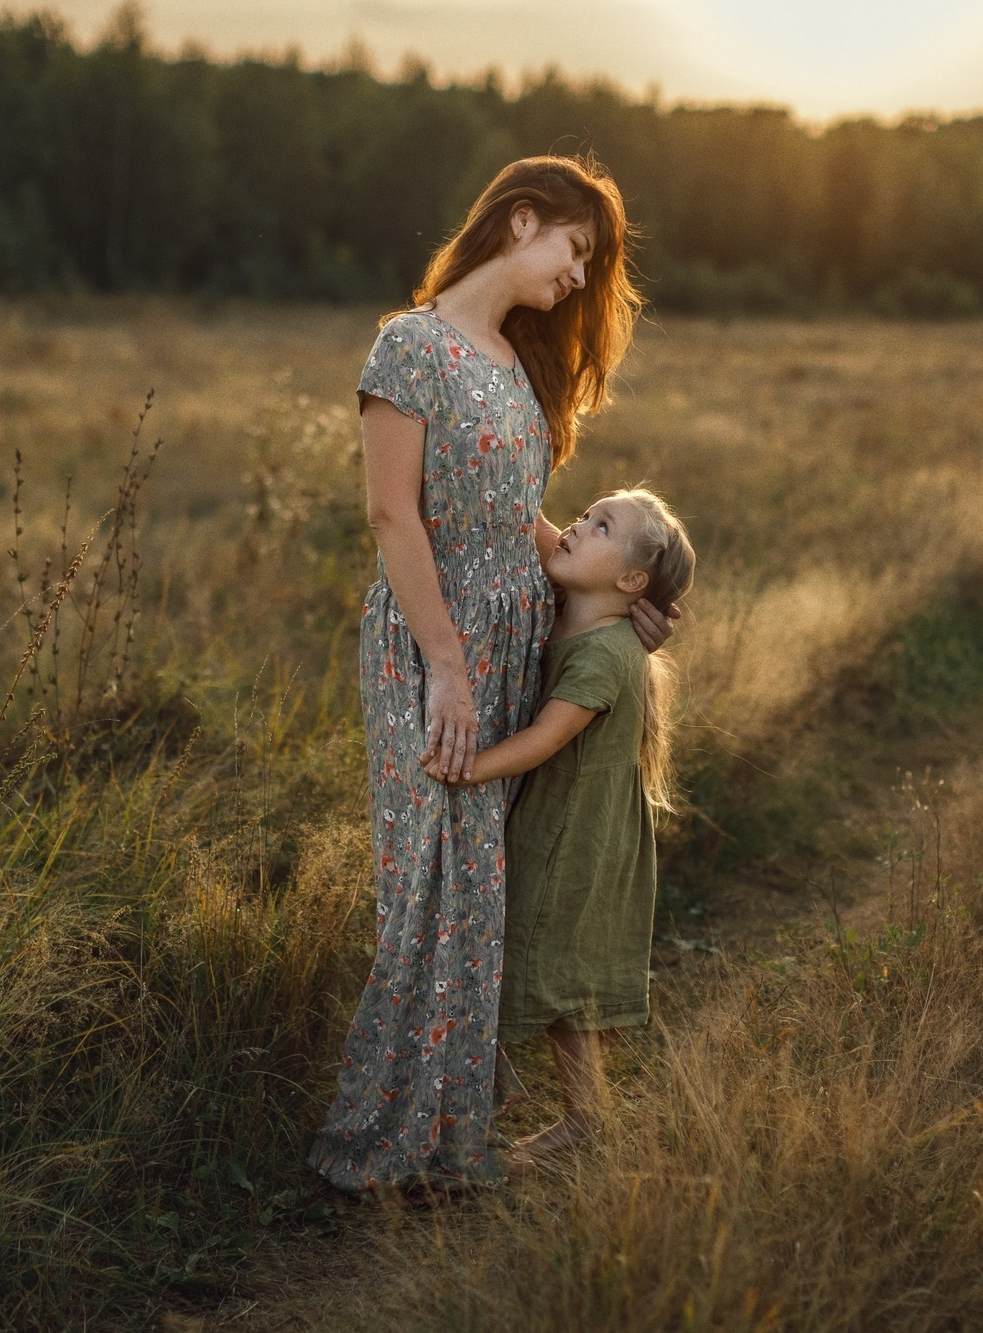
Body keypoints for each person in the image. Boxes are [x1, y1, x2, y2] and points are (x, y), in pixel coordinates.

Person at [308, 156, 670, 1196]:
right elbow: (393, 516)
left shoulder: (512, 360)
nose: (577, 277)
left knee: (485, 889)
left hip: (516, 639)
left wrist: (616, 601)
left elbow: (519, 517)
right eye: (575, 249)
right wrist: (447, 668)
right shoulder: (410, 345)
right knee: (431, 881)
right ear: (520, 221)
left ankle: (455, 1134)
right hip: (438, 643)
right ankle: (397, 1147)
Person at [428, 488, 695, 1161]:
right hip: (567, 820)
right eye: (585, 515)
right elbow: (536, 521)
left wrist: (467, 767)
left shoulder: (603, 651)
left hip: (575, 833)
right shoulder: (582, 618)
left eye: (601, 526)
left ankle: (575, 1116)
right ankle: (550, 1104)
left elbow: (546, 738)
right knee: (550, 960)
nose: (577, 526)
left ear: (630, 582)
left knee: (553, 961)